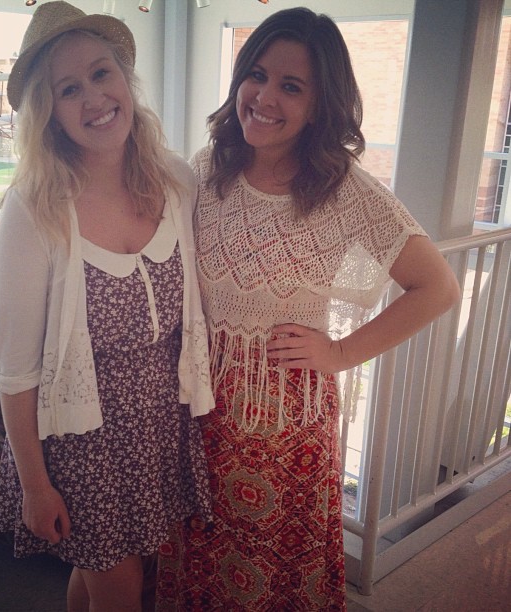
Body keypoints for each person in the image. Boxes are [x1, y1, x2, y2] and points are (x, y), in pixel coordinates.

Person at [156, 7, 460, 611]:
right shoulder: (209, 168)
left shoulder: (347, 192)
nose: (265, 97)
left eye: (291, 86)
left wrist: (342, 351)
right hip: (197, 408)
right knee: (199, 561)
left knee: (272, 572)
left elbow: (437, 288)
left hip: (284, 421)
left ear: (320, 105)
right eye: (257, 74)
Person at [0, 2, 214, 611]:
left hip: (157, 426)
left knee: (98, 576)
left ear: (125, 80)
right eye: (69, 89)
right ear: (50, 112)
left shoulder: (174, 181)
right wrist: (36, 486)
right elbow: (15, 372)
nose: (94, 98)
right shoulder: (33, 210)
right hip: (81, 441)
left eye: (101, 73)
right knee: (120, 588)